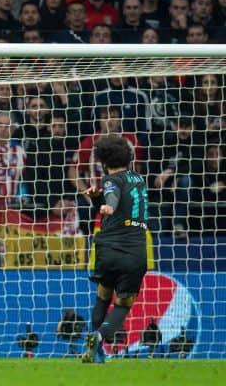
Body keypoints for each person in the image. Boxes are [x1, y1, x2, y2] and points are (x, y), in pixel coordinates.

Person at [81, 134, 148, 364]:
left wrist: (107, 203)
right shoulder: (139, 179)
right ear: (128, 157)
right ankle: (98, 338)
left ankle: (95, 347)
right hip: (135, 250)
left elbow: (113, 196)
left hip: (108, 248)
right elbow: (121, 202)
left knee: (102, 295)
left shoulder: (110, 180)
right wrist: (102, 200)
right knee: (123, 303)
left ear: (103, 162)